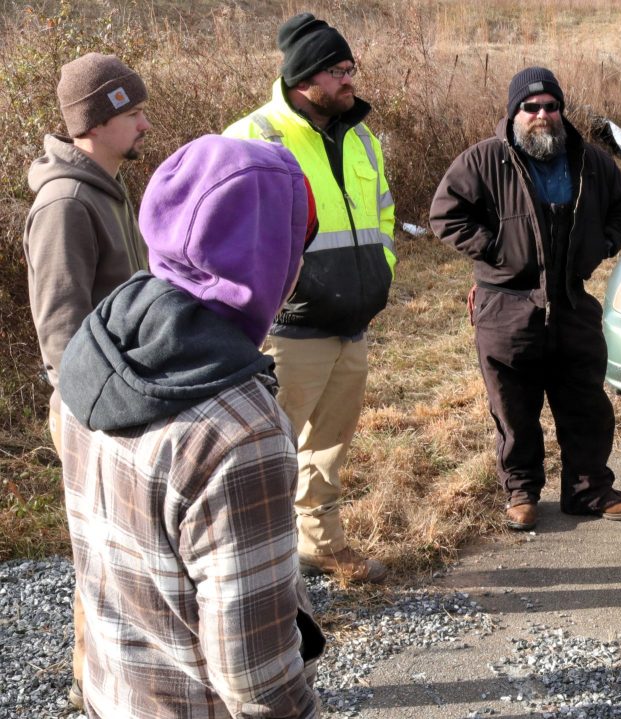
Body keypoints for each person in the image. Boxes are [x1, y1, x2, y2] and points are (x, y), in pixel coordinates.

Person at [58, 135, 325, 718]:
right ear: (267, 252)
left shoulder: (97, 347)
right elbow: (256, 679)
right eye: (296, 239)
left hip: (115, 695)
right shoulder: (240, 433)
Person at [429, 66, 621, 531]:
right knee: (514, 408)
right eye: (531, 107)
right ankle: (522, 492)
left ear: (561, 112)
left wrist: (601, 246)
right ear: (514, 113)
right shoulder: (484, 160)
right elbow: (445, 214)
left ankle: (589, 490)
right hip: (505, 306)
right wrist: (494, 249)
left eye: (550, 107)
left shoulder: (590, 161)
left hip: (571, 301)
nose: (541, 115)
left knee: (586, 403)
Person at [224, 12, 396, 583]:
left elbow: (385, 215)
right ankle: (255, 564)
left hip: (352, 322)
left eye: (350, 68)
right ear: (305, 80)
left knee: (328, 447)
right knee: (265, 451)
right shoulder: (252, 138)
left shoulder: (361, 137)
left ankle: (321, 544)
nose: (350, 80)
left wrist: (382, 273)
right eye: (338, 71)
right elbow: (223, 238)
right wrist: (268, 303)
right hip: (289, 330)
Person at [22, 51, 152, 709]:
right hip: (93, 407)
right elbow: (61, 331)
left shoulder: (105, 185)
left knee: (127, 547)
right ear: (97, 120)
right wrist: (95, 413)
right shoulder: (66, 202)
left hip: (124, 396)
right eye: (133, 112)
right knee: (101, 554)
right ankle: (91, 682)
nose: (145, 125)